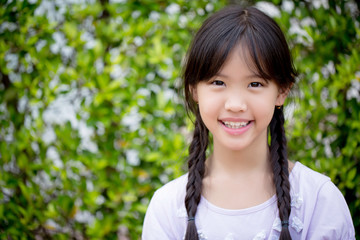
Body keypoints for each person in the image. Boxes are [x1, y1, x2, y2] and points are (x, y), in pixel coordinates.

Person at [142, 5, 355, 240]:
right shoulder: (167, 208)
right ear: (194, 89)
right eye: (218, 82)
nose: (235, 104)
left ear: (282, 91)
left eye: (255, 84)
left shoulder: (319, 201)